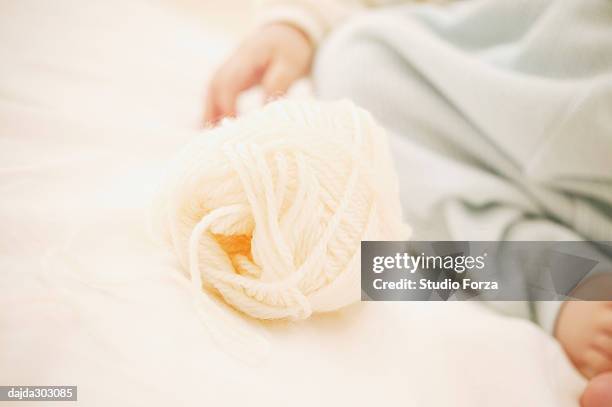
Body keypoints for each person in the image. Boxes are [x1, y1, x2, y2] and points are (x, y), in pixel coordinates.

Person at [204, 0, 612, 405]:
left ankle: (572, 280)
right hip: (492, 93)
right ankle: (565, 275)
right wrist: (300, 23)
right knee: (356, 59)